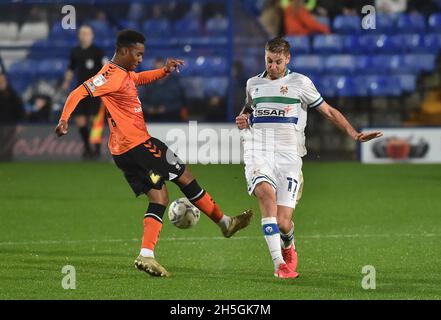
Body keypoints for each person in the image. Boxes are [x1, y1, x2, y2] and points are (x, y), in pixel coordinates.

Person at [55, 29, 253, 277]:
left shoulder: (123, 73)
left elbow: (139, 79)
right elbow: (78, 92)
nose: (140, 59)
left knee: (159, 197)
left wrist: (164, 71)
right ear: (126, 51)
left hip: (126, 150)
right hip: (138, 146)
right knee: (185, 176)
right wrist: (64, 119)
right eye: (138, 54)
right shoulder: (110, 76)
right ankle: (225, 223)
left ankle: (147, 255)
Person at [235, 37, 382, 279]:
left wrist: (354, 134)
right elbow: (248, 110)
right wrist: (242, 118)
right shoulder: (253, 83)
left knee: (283, 222)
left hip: (289, 156)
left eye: (277, 62)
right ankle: (279, 264)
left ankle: (288, 244)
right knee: (265, 196)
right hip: (257, 150)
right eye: (268, 61)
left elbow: (329, 112)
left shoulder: (300, 83)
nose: (272, 67)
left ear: (288, 59)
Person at [62, 25, 106, 159]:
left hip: (95, 91)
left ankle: (97, 148)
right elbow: (70, 68)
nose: (84, 35)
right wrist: (66, 82)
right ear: (79, 35)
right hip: (81, 90)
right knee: (80, 120)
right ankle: (87, 147)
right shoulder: (75, 51)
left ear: (92, 35)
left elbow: (106, 69)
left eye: (87, 33)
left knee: (94, 120)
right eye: (82, 33)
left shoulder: (98, 52)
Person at [139, 57, 185, 122]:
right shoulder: (148, 83)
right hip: (150, 118)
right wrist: (148, 108)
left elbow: (180, 103)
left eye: (161, 69)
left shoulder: (175, 83)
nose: (159, 72)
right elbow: (141, 101)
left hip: (171, 118)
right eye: (156, 69)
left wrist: (166, 109)